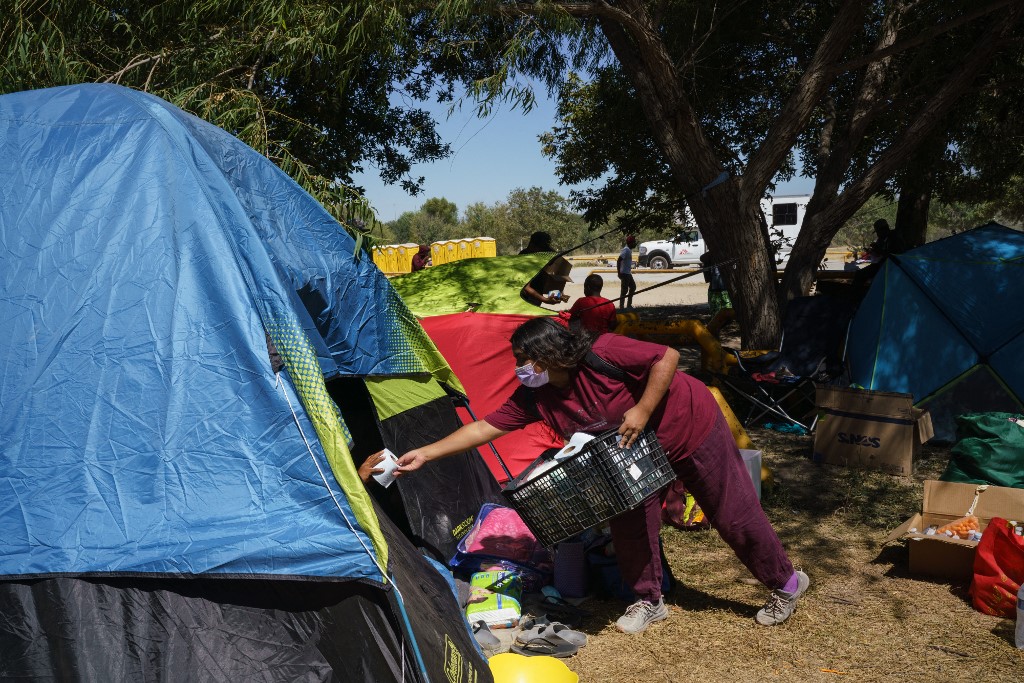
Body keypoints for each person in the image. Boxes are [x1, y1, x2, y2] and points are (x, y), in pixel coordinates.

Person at [395, 318, 809, 634]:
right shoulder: (536, 394)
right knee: (629, 523)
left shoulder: (603, 351)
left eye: (523, 360)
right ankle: (648, 599)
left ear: (546, 356)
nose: (519, 368)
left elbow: (666, 357)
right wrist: (426, 454)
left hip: (688, 426)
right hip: (631, 454)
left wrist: (643, 409)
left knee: (729, 509)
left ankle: (786, 583)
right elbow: (485, 427)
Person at [617, 235, 637, 309]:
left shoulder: (629, 250)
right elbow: (619, 260)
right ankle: (622, 307)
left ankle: (629, 305)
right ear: (630, 243)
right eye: (634, 242)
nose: (635, 244)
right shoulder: (626, 250)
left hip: (628, 273)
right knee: (624, 291)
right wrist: (619, 273)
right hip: (624, 273)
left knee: (633, 287)